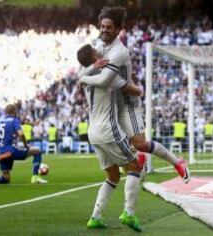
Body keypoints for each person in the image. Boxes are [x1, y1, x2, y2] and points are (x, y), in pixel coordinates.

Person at [79, 6, 190, 184]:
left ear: (117, 29)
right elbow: (86, 69)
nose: (104, 30)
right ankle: (135, 166)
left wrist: (128, 86)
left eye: (108, 27)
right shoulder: (99, 47)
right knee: (123, 154)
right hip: (111, 103)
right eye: (102, 27)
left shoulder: (118, 51)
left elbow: (106, 80)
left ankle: (177, 162)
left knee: (140, 143)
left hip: (126, 103)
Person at [77, 42, 143, 231]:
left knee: (112, 175)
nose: (101, 52)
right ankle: (129, 213)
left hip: (93, 132)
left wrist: (127, 77)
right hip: (108, 129)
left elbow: (81, 76)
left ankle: (96, 217)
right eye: (97, 52)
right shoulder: (104, 76)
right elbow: (131, 89)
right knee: (135, 166)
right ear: (95, 58)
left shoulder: (86, 76)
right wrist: (137, 88)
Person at [0, 104, 47, 185]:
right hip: (11, 150)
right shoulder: (14, 120)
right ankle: (35, 177)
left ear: (5, 112)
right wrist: (26, 145)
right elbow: (21, 134)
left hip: (1, 153)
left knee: (6, 179)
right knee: (37, 151)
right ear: (14, 111)